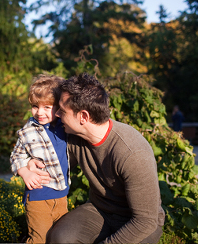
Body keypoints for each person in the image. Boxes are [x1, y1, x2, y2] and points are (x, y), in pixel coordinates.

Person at [32, 73, 165, 243]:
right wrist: (29, 164)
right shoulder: (73, 135)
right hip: (100, 210)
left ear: (84, 117)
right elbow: (51, 166)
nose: (56, 114)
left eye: (62, 111)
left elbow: (145, 220)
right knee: (60, 238)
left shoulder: (133, 153)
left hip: (139, 222)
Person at [9, 74, 70, 244]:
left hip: (61, 194)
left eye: (47, 107)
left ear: (58, 107)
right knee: (39, 238)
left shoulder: (64, 126)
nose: (39, 112)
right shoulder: (28, 131)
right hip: (38, 195)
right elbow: (16, 156)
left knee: (59, 236)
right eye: (35, 106)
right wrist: (25, 172)